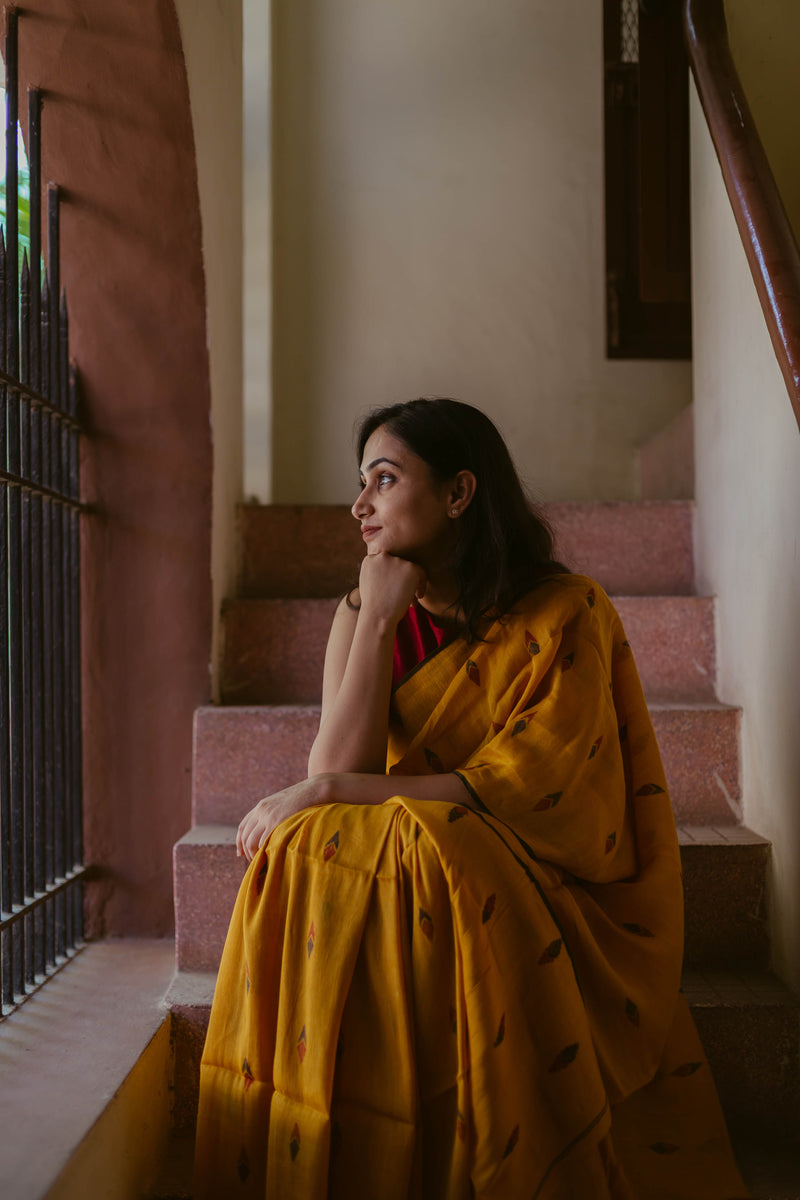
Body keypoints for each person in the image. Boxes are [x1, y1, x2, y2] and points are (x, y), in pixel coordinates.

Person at [194, 399, 748, 1198]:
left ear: (459, 493)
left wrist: (327, 787)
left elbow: (527, 790)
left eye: (384, 481)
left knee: (431, 841)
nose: (360, 506)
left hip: (538, 871)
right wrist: (379, 618)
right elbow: (338, 771)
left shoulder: (567, 612)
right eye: (360, 485)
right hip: (423, 853)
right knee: (310, 845)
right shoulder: (365, 611)